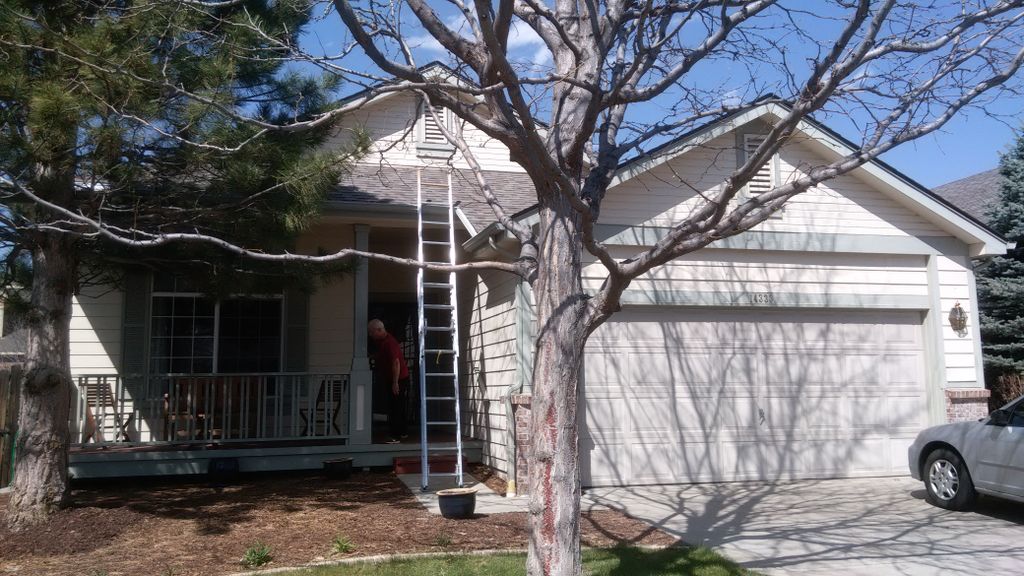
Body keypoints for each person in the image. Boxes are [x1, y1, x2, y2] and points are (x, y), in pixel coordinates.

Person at [368, 319, 410, 443]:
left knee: (394, 406)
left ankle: (395, 436)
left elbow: (396, 363)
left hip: (399, 379)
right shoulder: (382, 342)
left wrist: (395, 382)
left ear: (379, 330)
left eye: (371, 332)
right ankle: (403, 432)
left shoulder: (390, 343)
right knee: (399, 405)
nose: (370, 335)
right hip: (395, 378)